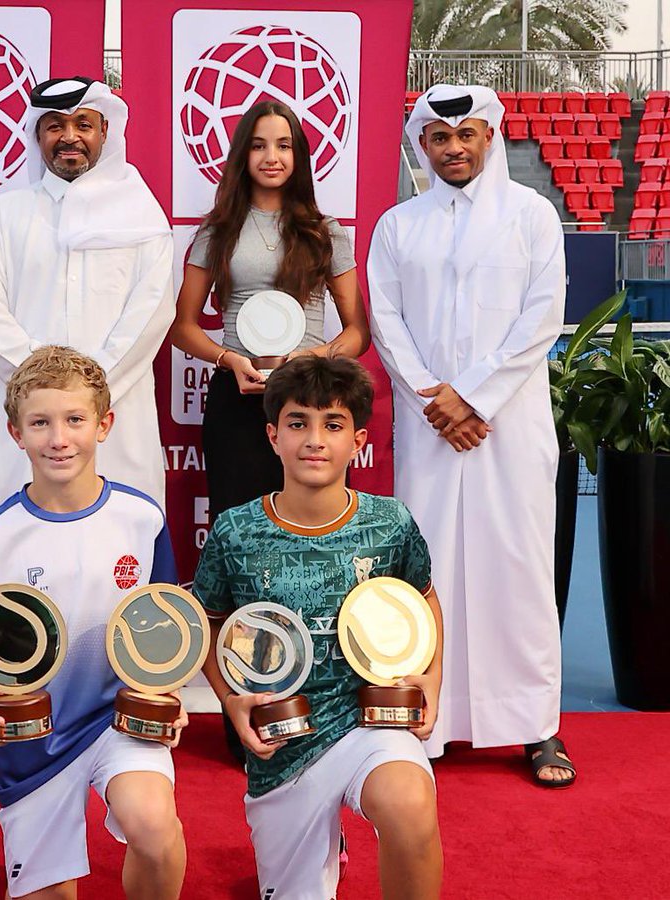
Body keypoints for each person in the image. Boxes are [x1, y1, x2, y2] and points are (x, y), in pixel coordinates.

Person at [367, 84, 574, 787]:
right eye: (438, 137)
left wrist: (474, 397)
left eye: (466, 135)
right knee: (424, 569)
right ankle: (428, 720)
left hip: (508, 426)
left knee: (517, 567)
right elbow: (387, 321)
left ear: (489, 137)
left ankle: (537, 725)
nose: (453, 148)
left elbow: (542, 319)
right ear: (422, 145)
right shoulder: (398, 225)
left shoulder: (533, 216)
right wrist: (436, 397)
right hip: (431, 428)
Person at [195, 355, 444, 900]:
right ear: (272, 435)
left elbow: (423, 598)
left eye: (332, 426)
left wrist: (431, 676)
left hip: (369, 720)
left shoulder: (390, 522)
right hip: (283, 741)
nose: (315, 439)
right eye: (298, 423)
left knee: (409, 805)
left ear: (357, 441)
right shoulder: (236, 531)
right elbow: (207, 626)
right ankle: (323, 852)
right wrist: (229, 698)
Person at [0, 347, 187, 899]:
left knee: (154, 828)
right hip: (33, 735)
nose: (59, 438)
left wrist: (166, 693)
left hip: (118, 719)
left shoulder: (142, 518)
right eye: (41, 423)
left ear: (104, 425)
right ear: (15, 432)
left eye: (75, 420)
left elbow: (169, 626)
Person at [0, 76, 174, 515]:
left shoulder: (141, 215)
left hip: (116, 413)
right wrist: (41, 393)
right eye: (55, 125)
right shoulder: (3, 215)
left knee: (124, 559)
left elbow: (151, 312)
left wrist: (88, 396)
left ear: (104, 133)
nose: (70, 137)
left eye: (84, 124)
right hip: (25, 420)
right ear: (38, 135)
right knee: (17, 560)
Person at [171, 100, 369, 515]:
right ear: (243, 155)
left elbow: (357, 333)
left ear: (298, 155)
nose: (272, 157)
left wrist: (308, 359)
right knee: (238, 522)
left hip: (311, 396)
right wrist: (228, 360)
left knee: (317, 522)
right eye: (259, 146)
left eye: (284, 145)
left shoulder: (324, 231)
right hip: (238, 395)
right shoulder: (217, 230)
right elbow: (182, 327)